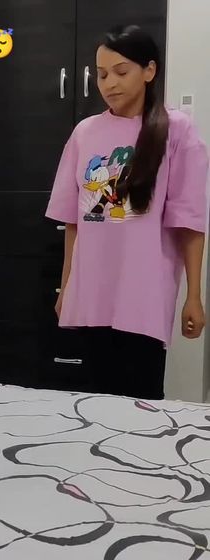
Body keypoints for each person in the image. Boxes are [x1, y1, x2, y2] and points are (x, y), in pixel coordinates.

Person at [45, 25, 209, 400]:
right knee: (96, 402)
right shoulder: (85, 132)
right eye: (102, 74)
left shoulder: (177, 130)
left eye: (121, 72)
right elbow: (74, 221)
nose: (109, 84)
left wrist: (194, 296)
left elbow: (189, 221)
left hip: (144, 296)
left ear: (149, 71)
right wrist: (67, 286)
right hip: (92, 293)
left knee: (141, 404)